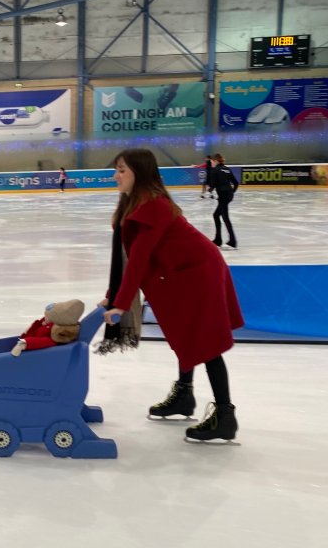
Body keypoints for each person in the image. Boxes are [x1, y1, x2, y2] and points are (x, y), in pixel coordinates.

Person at [99, 148, 243, 444]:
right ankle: (184, 396)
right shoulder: (135, 203)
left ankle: (225, 417)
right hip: (179, 273)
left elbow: (139, 259)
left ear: (139, 172)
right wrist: (112, 295)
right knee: (184, 337)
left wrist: (121, 304)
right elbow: (128, 258)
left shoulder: (153, 206)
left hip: (197, 273)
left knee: (205, 343)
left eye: (122, 170)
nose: (116, 175)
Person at [211, 153, 239, 249]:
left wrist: (209, 192)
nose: (211, 163)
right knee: (216, 215)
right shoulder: (227, 169)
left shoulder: (215, 170)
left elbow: (213, 184)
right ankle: (218, 239)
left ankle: (233, 241)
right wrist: (232, 193)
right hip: (228, 195)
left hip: (223, 195)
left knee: (225, 217)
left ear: (215, 161)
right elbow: (236, 183)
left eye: (212, 161)